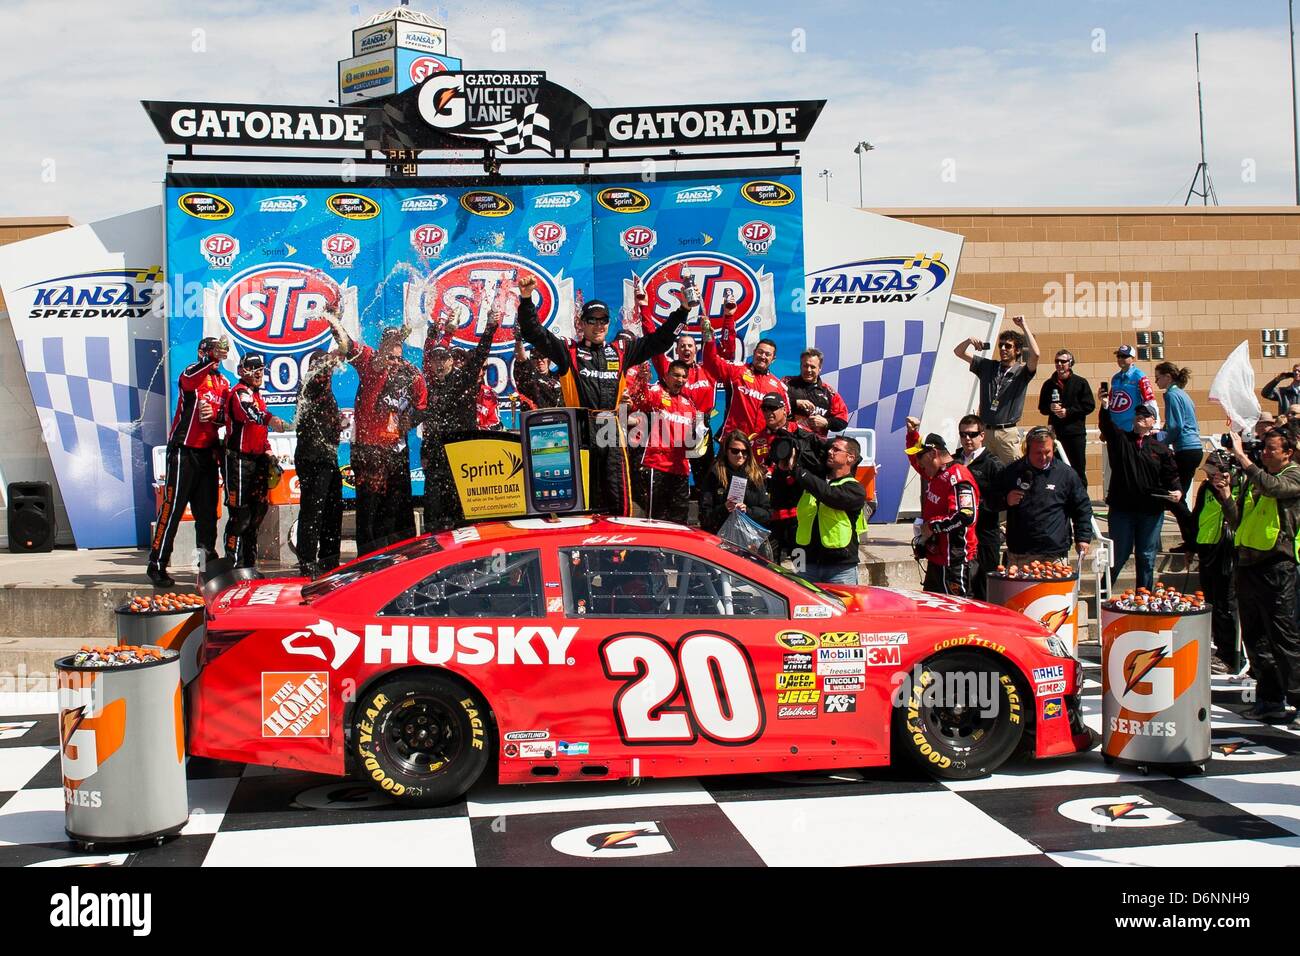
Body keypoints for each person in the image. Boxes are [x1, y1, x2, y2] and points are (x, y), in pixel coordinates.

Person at [516, 273, 687, 516]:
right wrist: (526, 299)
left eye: (603, 320)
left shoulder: (620, 351)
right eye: (592, 320)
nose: (598, 326)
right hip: (579, 429)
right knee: (581, 498)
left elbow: (660, 341)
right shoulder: (569, 351)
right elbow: (533, 333)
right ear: (582, 324)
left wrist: (683, 311)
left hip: (610, 429)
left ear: (608, 324)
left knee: (617, 497)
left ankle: (619, 551)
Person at [1214, 427, 1300, 725]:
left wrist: (1243, 459)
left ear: (1288, 452)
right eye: (1262, 449)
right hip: (1248, 566)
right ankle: (1270, 699)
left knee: (1285, 639)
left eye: (1270, 449)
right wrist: (1225, 495)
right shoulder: (1256, 479)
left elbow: (1276, 489)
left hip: (1278, 566)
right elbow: (1239, 521)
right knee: (1256, 638)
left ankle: (1298, 700)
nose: (1264, 453)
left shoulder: (1294, 475)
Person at [326, 314, 428, 556]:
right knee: (369, 512)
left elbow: (424, 406)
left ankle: (402, 560)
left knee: (397, 510)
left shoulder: (411, 373)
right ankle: (368, 563)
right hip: (368, 451)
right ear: (382, 347)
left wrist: (410, 420)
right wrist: (333, 320)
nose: (394, 362)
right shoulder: (370, 360)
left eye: (397, 357)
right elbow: (346, 343)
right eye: (390, 357)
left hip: (396, 451)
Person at [147, 335, 232, 587]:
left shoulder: (224, 382)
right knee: (172, 510)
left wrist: (216, 414)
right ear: (203, 353)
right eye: (212, 352)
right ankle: (157, 563)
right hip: (183, 452)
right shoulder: (192, 374)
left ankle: (205, 567)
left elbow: (227, 415)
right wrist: (212, 357)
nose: (217, 358)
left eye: (219, 354)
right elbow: (189, 380)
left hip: (207, 454)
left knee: (207, 516)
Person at [635, 278, 718, 494]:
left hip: (701, 427)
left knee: (706, 480)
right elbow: (652, 339)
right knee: (675, 480)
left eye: (690, 345)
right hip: (673, 431)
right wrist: (643, 306)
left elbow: (714, 351)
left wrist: (709, 329)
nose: (687, 349)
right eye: (682, 346)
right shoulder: (668, 369)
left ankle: (706, 520)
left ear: (696, 348)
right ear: (677, 349)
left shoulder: (707, 370)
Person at [421, 310, 499, 532]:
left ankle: (464, 558)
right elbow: (429, 422)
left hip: (462, 457)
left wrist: (491, 326)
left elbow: (481, 352)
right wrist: (425, 452)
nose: (439, 363)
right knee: (433, 514)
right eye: (435, 359)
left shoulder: (464, 380)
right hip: (436, 456)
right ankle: (432, 554)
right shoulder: (431, 385)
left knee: (462, 515)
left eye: (443, 359)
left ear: (450, 362)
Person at [1098, 400, 1180, 592]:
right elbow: (1107, 426)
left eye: (1146, 414)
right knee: (1119, 554)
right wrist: (1104, 407)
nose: (1141, 416)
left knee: (1146, 555)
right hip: (1122, 510)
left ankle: (1143, 596)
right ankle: (1103, 590)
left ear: (1154, 421)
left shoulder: (1161, 449)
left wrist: (1177, 490)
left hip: (1151, 511)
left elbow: (1171, 475)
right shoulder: (1121, 440)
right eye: (1138, 414)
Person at [223, 353, 288, 568]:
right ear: (241, 371)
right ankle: (232, 565)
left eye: (260, 367)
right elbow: (252, 414)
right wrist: (271, 419)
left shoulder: (258, 395)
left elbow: (260, 433)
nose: (258, 372)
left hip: (257, 461)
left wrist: (269, 454)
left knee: (256, 515)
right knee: (240, 516)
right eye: (252, 368)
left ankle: (250, 566)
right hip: (238, 462)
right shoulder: (239, 393)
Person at [777, 435, 868, 585]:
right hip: (805, 562)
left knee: (842, 607)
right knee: (803, 607)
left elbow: (828, 495)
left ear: (850, 458)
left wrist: (799, 471)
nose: (830, 451)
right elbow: (781, 496)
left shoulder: (854, 488)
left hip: (839, 567)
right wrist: (784, 468)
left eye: (836, 449)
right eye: (830, 448)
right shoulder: (812, 482)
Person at [994, 426, 1093, 565]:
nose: (1043, 457)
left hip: (1054, 553)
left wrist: (1083, 538)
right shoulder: (1012, 471)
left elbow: (1082, 507)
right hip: (1020, 553)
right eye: (1038, 453)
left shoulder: (1066, 474)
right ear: (1027, 450)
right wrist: (1006, 500)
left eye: (1048, 452)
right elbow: (990, 501)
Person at [904, 424, 979, 596]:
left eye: (920, 457)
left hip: (955, 561)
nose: (919, 463)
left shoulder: (958, 477)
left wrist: (931, 526)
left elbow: (966, 515)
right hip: (937, 559)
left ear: (933, 454)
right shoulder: (935, 474)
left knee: (957, 613)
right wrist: (911, 435)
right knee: (931, 610)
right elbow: (913, 461)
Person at [954, 315, 1040, 464]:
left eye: (1008, 346)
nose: (1003, 349)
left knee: (1014, 471)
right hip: (985, 431)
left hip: (1006, 432)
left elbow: (1036, 354)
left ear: (1018, 350)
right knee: (984, 471)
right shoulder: (988, 366)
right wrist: (969, 341)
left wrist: (1024, 326)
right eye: (1001, 345)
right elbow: (959, 352)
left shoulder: (1022, 372)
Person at [628, 359, 702, 524]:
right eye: (676, 375)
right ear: (667, 376)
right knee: (657, 518)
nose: (680, 379)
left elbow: (693, 439)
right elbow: (639, 400)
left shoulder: (689, 404)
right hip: (657, 465)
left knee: (680, 518)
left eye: (683, 376)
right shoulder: (656, 392)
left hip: (681, 469)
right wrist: (642, 380)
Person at [293, 350, 344, 578]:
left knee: (333, 509)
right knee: (313, 511)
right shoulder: (310, 385)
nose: (330, 370)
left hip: (328, 457)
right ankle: (307, 562)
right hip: (312, 457)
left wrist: (337, 422)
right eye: (325, 367)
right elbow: (319, 375)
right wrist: (336, 354)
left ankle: (329, 559)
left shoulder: (326, 390)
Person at [1191, 450, 1241, 674]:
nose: (1212, 477)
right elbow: (1197, 515)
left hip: (1227, 551)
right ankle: (1219, 648)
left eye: (1216, 472)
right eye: (1209, 473)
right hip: (1207, 547)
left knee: (1225, 605)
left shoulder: (1239, 487)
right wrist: (1191, 545)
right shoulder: (1205, 487)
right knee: (1210, 601)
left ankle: (1229, 654)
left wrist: (1226, 491)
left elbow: (1236, 517)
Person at [701, 313, 788, 440]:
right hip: (732, 441)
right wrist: (708, 337)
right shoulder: (737, 370)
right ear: (754, 352)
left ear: (773, 359)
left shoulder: (779, 387)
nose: (763, 356)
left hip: (762, 446)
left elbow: (786, 417)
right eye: (760, 352)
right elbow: (711, 362)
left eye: (767, 354)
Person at [953, 415, 1005, 600]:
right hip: (959, 535)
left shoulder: (993, 463)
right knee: (960, 586)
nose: (967, 439)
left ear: (982, 435)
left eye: (972, 434)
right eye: (963, 434)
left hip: (985, 533)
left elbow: (1001, 499)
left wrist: (976, 507)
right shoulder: (954, 461)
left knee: (983, 584)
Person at [1155, 361, 1203, 551]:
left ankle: (1194, 536)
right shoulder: (1183, 394)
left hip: (1185, 448)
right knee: (1178, 496)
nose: (1156, 381)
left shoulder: (1171, 394)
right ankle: (1192, 540)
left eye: (1158, 377)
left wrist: (1162, 443)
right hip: (1194, 448)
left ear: (1168, 377)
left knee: (1173, 496)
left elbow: (1176, 426)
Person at [1036, 349, 1095, 487]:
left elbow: (1089, 406)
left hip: (1075, 433)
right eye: (1057, 361)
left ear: (1070, 363)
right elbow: (1042, 408)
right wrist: (1050, 408)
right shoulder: (1048, 384)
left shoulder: (1080, 382)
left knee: (1077, 469)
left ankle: (1080, 503)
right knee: (1055, 468)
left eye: (1063, 361)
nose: (1059, 364)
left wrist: (1068, 412)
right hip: (1056, 434)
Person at [699, 430, 771, 535]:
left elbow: (767, 514)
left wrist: (747, 511)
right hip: (719, 536)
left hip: (748, 538)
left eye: (744, 451)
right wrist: (724, 508)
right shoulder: (715, 474)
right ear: (726, 451)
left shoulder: (755, 476)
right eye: (735, 451)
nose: (740, 455)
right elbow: (705, 515)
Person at [784, 347, 849, 437]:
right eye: (805, 366)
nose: (808, 370)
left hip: (814, 444)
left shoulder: (829, 393)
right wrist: (794, 403)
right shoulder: (787, 383)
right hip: (788, 439)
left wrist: (827, 422)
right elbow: (770, 403)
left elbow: (843, 421)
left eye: (813, 367)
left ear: (820, 368)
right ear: (800, 366)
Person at [1104, 345, 1156, 434]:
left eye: (1124, 356)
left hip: (1132, 429)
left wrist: (1155, 425)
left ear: (1133, 358)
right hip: (1115, 428)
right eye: (1118, 356)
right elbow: (1111, 402)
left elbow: (1150, 401)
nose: (1120, 359)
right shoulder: (1115, 378)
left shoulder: (1139, 376)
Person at [512, 329, 561, 411]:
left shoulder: (558, 376)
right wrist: (518, 340)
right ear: (531, 360)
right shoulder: (529, 376)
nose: (539, 360)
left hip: (561, 418)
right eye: (535, 358)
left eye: (542, 356)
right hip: (536, 418)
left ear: (549, 359)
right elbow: (521, 358)